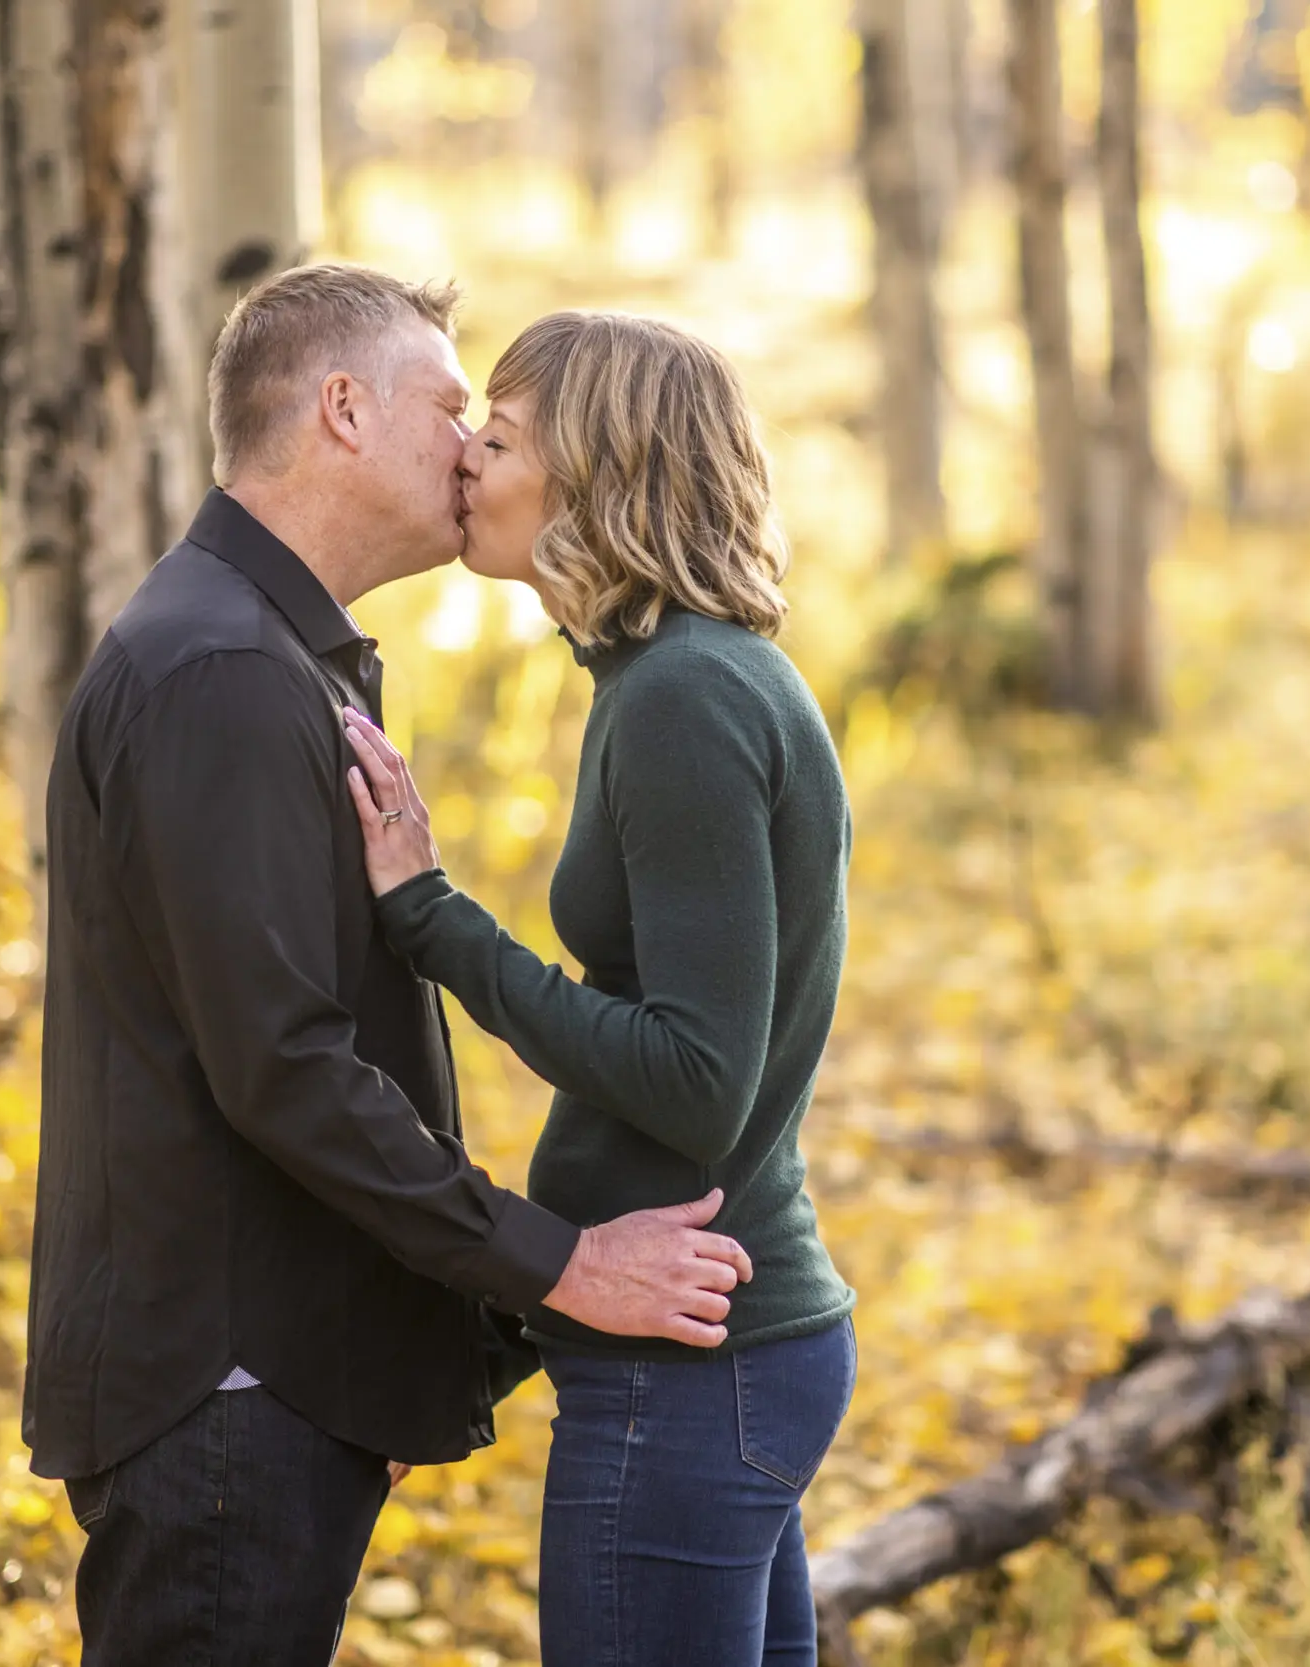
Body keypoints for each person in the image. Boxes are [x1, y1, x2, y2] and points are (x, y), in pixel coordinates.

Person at [23, 265, 756, 1666]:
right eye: (447, 405)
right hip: (224, 1383)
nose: (470, 444)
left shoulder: (275, 653)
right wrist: (552, 1267)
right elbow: (284, 1068)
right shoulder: (221, 672)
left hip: (271, 1370)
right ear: (344, 411)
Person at [341, 310, 858, 1667]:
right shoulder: (671, 676)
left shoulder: (685, 696)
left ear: (597, 475)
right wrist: (494, 1337)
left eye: (497, 439)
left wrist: (432, 920)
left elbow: (695, 1086)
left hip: (695, 1365)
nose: (463, 462)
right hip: (716, 1347)